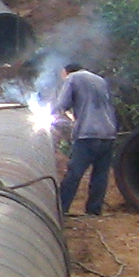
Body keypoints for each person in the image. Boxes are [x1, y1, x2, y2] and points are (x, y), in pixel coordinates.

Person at [50, 59, 119, 217]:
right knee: (100, 174)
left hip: (88, 133)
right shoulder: (100, 80)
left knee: (74, 172)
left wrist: (51, 114)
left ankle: (61, 208)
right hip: (108, 133)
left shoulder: (72, 78)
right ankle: (94, 210)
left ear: (66, 72)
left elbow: (62, 104)